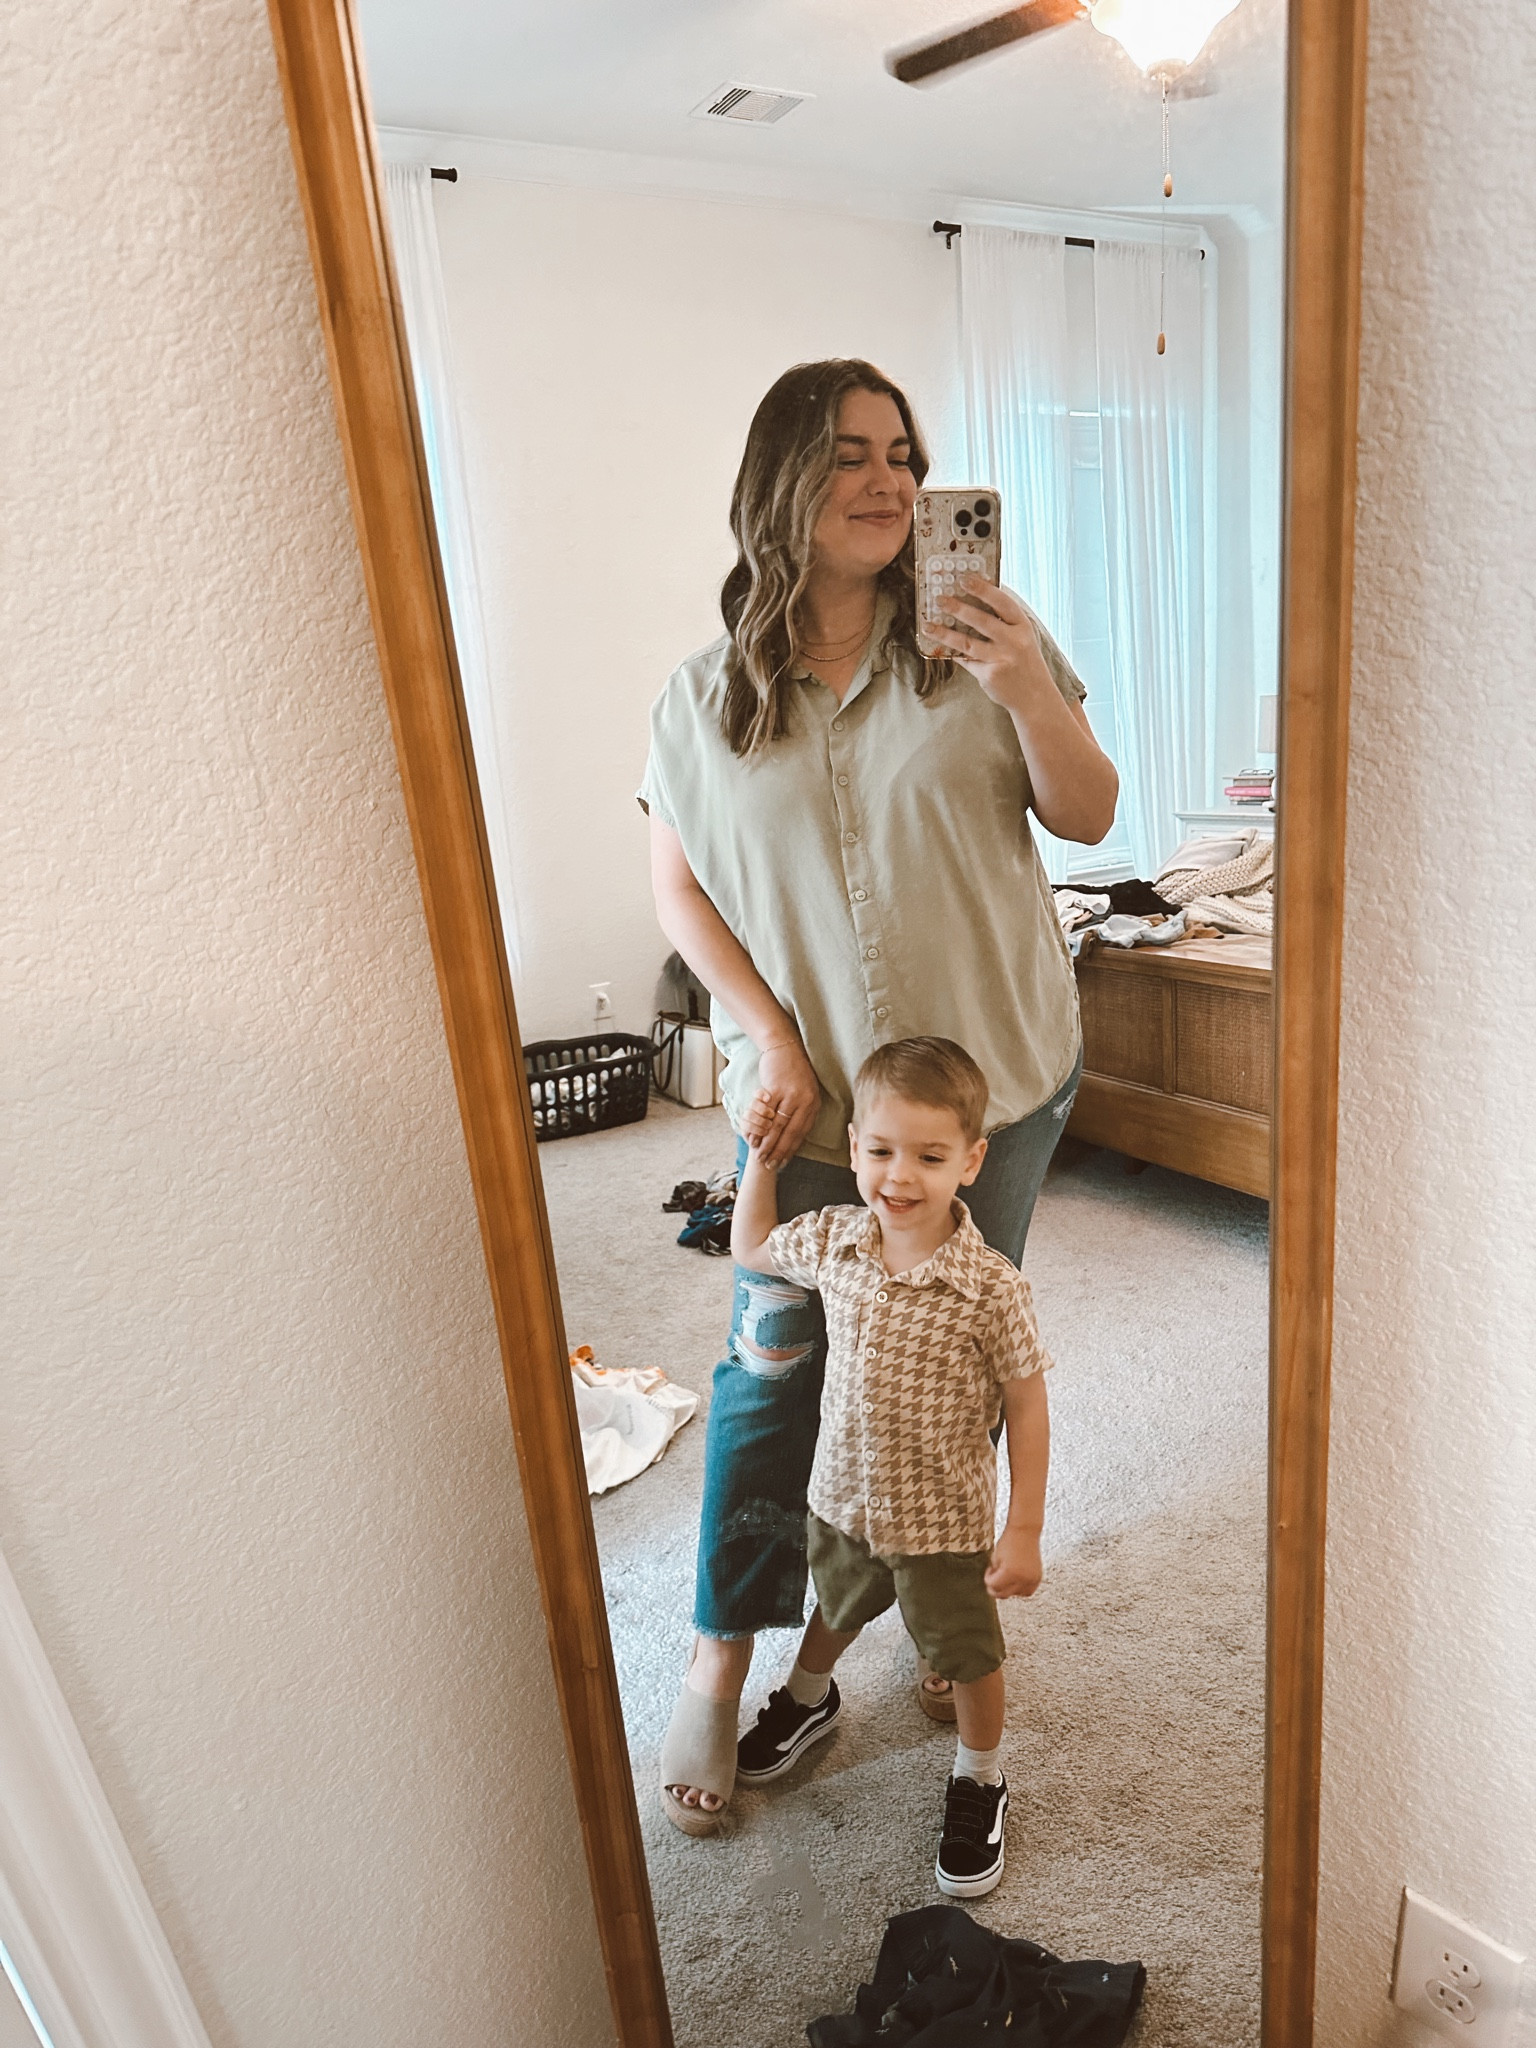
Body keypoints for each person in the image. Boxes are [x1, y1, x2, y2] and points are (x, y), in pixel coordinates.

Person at [639, 359, 1117, 1834]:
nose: (892, 482)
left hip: (994, 1086)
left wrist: (1024, 678)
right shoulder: (703, 698)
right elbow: (679, 891)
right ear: (782, 478)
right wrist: (769, 1035)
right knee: (772, 1378)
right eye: (851, 454)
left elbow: (1091, 812)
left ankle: (935, 1577)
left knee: (946, 1362)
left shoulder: (980, 653)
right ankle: (723, 1662)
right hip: (808, 1102)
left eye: (906, 455)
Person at [730, 1039, 1051, 1897]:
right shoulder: (837, 1239)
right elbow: (752, 1246)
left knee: (967, 1653)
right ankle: (809, 1696)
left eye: (930, 1156)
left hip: (942, 1521)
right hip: (840, 1497)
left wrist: (1024, 1529)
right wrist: (763, 1159)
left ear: (972, 1161)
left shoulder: (991, 1286)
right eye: (879, 1151)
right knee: (835, 1605)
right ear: (855, 1144)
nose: (898, 1176)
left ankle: (981, 1778)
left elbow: (1027, 1405)